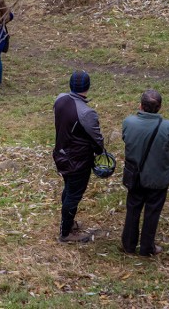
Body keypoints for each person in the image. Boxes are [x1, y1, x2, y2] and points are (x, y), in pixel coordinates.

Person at [121, 89, 169, 256]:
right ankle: (147, 247)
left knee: (133, 208)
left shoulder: (128, 122)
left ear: (140, 105)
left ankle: (128, 244)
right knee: (152, 211)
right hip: (158, 178)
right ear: (159, 107)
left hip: (135, 176)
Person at [53, 71, 105, 243]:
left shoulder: (59, 99)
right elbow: (96, 137)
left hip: (61, 155)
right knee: (74, 194)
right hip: (78, 160)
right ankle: (66, 233)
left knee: (69, 189)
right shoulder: (86, 112)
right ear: (88, 87)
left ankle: (67, 223)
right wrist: (100, 151)